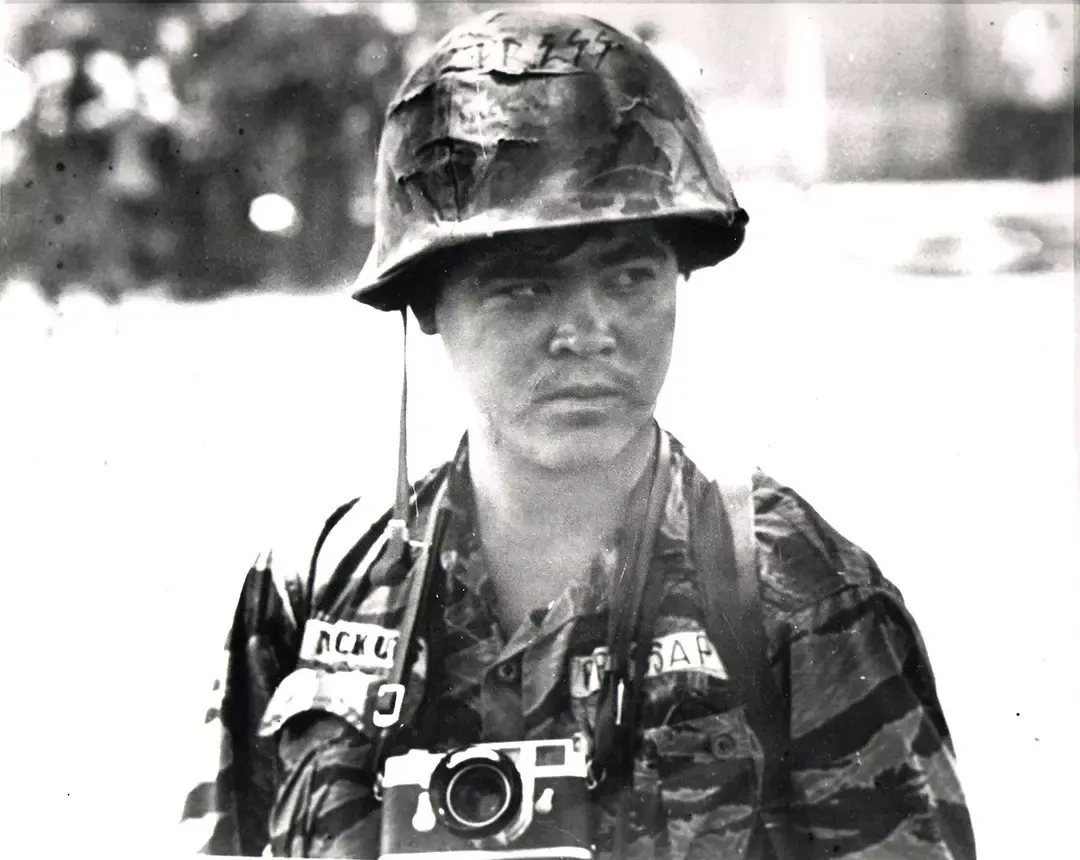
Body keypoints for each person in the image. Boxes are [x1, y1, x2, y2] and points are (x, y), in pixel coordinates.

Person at [180, 9, 976, 859]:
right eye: (523, 289)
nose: (587, 333)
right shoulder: (315, 590)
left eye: (630, 278)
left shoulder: (793, 594)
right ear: (427, 304)